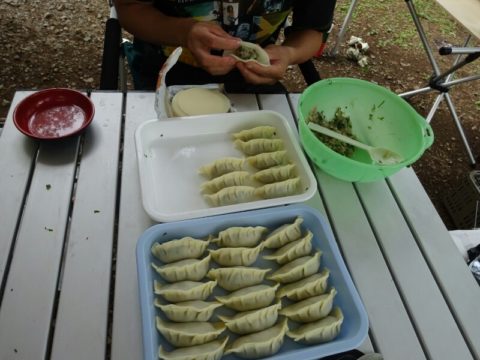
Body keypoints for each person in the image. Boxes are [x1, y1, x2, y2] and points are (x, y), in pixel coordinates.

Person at [114, 0, 337, 91]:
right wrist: (184, 32)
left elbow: (312, 31)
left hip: (252, 79)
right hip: (164, 71)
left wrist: (289, 53)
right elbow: (131, 8)